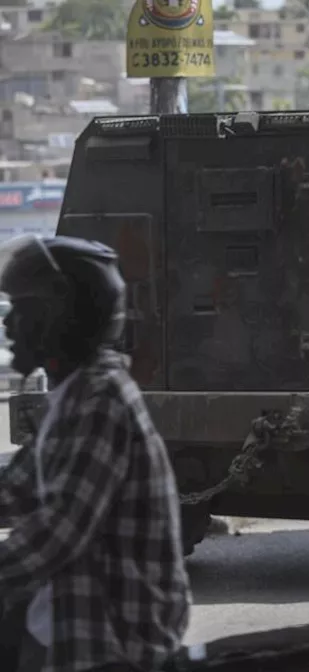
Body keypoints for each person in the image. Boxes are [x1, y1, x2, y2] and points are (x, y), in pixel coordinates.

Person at [0, 235, 191, 672]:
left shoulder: (101, 399)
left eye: (23, 311)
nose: (9, 327)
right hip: (64, 616)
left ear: (62, 316)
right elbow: (15, 490)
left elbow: (58, 532)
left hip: (108, 636)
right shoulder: (69, 397)